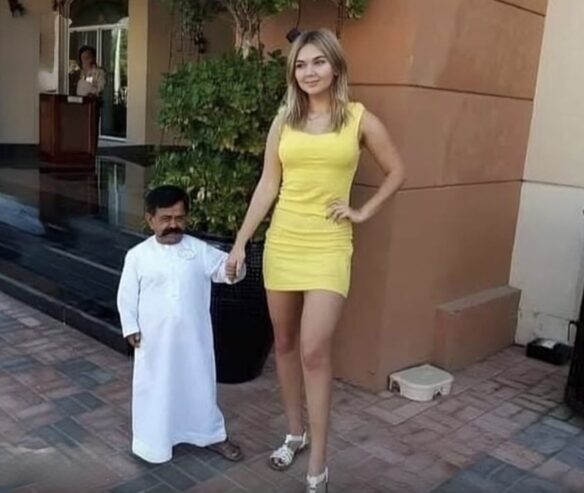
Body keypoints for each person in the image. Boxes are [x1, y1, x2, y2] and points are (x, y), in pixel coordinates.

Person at [226, 29, 405, 492]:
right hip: (284, 241)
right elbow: (268, 184)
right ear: (294, 72)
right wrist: (242, 241)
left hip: (328, 245)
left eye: (318, 62)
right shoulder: (284, 120)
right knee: (284, 343)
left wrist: (362, 211)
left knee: (313, 350)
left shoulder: (359, 119)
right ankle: (295, 433)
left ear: (336, 66)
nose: (309, 72)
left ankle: (319, 464)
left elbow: (397, 170)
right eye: (301, 64)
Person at [117, 185, 245, 464]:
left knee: (199, 385)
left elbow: (226, 271)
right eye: (166, 218)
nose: (173, 225)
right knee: (156, 390)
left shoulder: (198, 250)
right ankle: (153, 443)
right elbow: (126, 296)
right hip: (154, 343)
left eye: (179, 218)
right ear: (150, 219)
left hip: (194, 340)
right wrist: (130, 326)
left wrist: (234, 265)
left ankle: (211, 435)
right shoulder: (137, 255)